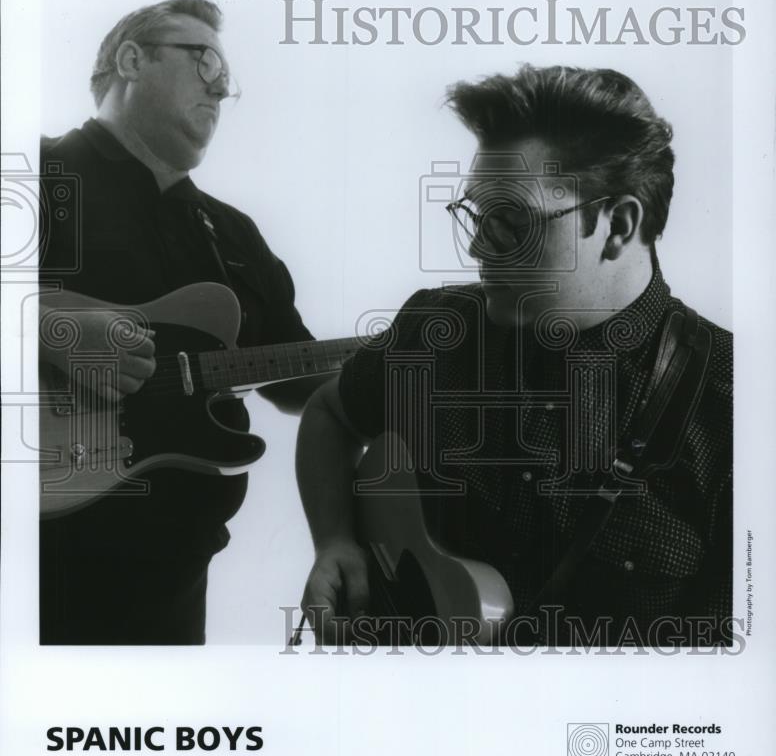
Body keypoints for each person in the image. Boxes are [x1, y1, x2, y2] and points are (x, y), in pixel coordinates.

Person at [296, 64, 733, 648]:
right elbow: (330, 415)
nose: (478, 246)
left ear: (617, 225)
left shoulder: (740, 409)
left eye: (511, 222)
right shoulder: (434, 328)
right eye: (478, 214)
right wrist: (334, 541)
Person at [39, 0, 323, 645]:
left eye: (227, 77)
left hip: (170, 574)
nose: (222, 89)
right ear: (131, 60)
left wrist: (406, 361)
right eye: (205, 62)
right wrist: (46, 331)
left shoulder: (231, 232)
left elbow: (300, 376)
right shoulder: (33, 172)